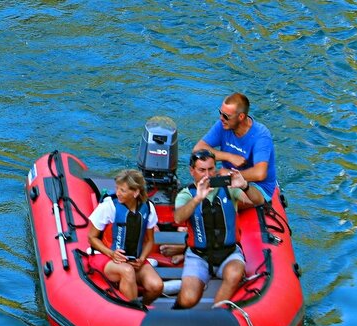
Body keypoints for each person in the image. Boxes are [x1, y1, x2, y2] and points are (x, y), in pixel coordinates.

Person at [173, 149, 264, 309]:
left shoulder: (229, 188)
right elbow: (178, 217)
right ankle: (176, 312)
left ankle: (217, 313)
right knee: (188, 299)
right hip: (198, 256)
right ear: (192, 171)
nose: (207, 174)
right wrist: (197, 199)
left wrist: (245, 186)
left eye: (211, 169)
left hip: (228, 253)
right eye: (202, 170)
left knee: (235, 273)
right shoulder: (186, 195)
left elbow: (258, 201)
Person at [87, 169, 164, 305]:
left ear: (135, 192)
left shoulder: (148, 208)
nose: (118, 193)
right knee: (127, 271)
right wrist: (112, 254)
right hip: (106, 257)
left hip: (134, 259)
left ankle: (142, 307)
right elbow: (92, 238)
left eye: (122, 190)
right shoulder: (109, 206)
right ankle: (135, 311)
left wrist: (142, 258)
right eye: (117, 188)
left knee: (156, 286)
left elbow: (149, 240)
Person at [191, 92, 278, 201]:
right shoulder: (223, 125)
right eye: (220, 113)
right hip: (227, 180)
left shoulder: (261, 136)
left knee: (216, 200)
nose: (221, 118)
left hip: (257, 187)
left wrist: (229, 175)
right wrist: (229, 157)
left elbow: (260, 173)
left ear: (241, 117)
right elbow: (197, 150)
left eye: (226, 116)